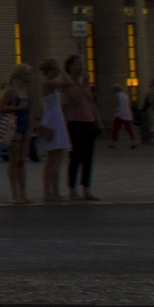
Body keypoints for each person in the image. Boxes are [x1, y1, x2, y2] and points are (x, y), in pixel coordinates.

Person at [61, 53, 100, 200]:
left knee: (88, 157)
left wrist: (97, 120)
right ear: (70, 66)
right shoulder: (68, 83)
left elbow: (91, 102)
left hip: (89, 122)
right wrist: (83, 85)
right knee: (75, 157)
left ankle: (86, 188)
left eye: (82, 64)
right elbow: (75, 99)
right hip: (75, 123)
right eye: (78, 64)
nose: (81, 67)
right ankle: (72, 189)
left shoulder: (85, 83)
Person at [0, 64, 32, 205]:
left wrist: (30, 130)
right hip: (13, 127)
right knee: (14, 161)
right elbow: (2, 107)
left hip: (24, 127)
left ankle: (23, 193)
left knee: (22, 161)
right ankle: (15, 193)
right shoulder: (12, 90)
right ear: (21, 75)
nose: (30, 77)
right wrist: (17, 108)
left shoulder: (28, 91)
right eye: (28, 74)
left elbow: (30, 111)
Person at [37, 58, 71, 202]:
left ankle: (52, 191)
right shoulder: (48, 83)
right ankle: (50, 191)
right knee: (54, 160)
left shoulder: (49, 84)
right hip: (53, 120)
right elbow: (68, 83)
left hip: (54, 118)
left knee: (54, 159)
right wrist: (63, 70)